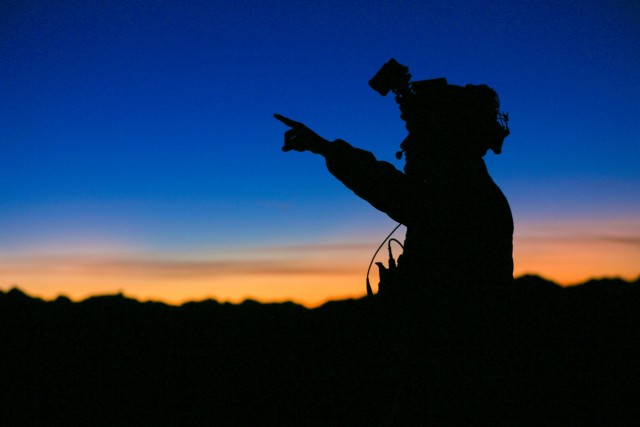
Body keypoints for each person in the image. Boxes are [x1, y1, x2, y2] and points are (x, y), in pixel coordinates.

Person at [274, 78, 513, 298]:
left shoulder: (467, 197)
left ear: (445, 140)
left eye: (418, 134)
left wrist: (323, 147)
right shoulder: (472, 190)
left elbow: (389, 187)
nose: (406, 144)